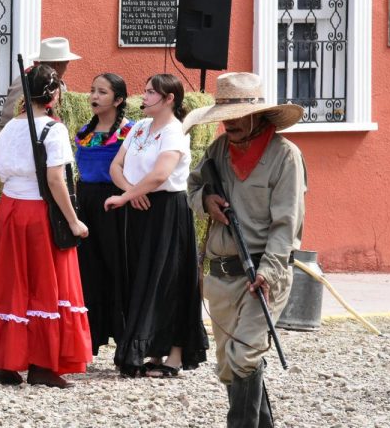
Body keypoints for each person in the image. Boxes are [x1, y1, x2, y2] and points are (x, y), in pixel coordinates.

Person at [184, 72, 306, 427]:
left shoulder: (286, 156)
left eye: (238, 115)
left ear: (258, 114)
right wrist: (206, 201)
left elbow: (287, 226)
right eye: (226, 117)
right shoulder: (218, 151)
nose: (231, 124)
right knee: (229, 365)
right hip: (221, 276)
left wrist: (267, 273)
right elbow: (192, 185)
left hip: (262, 276)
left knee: (244, 359)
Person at [0, 64, 92, 389]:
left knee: (13, 282)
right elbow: (56, 180)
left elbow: (2, 171)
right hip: (40, 211)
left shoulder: (9, 128)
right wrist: (74, 221)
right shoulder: (52, 130)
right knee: (46, 283)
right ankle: (42, 363)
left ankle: (6, 362)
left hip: (11, 209)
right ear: (53, 95)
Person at [104, 73, 208, 378]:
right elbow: (115, 166)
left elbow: (162, 174)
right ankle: (153, 349)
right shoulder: (139, 128)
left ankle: (175, 355)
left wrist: (128, 196)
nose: (144, 97)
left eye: (151, 93)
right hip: (139, 205)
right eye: (146, 91)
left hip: (166, 211)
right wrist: (130, 194)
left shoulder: (176, 132)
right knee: (142, 277)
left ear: (168, 99)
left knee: (170, 280)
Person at [74, 73, 134, 355]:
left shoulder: (130, 132)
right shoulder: (84, 132)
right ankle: (90, 337)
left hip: (115, 203)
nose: (94, 97)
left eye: (102, 92)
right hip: (86, 203)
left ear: (118, 99)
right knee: (89, 269)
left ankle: (124, 337)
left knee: (118, 267)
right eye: (92, 90)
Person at [0, 37, 80, 137]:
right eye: (66, 64)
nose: (66, 69)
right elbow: (4, 127)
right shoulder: (26, 83)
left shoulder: (57, 85)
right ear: (57, 64)